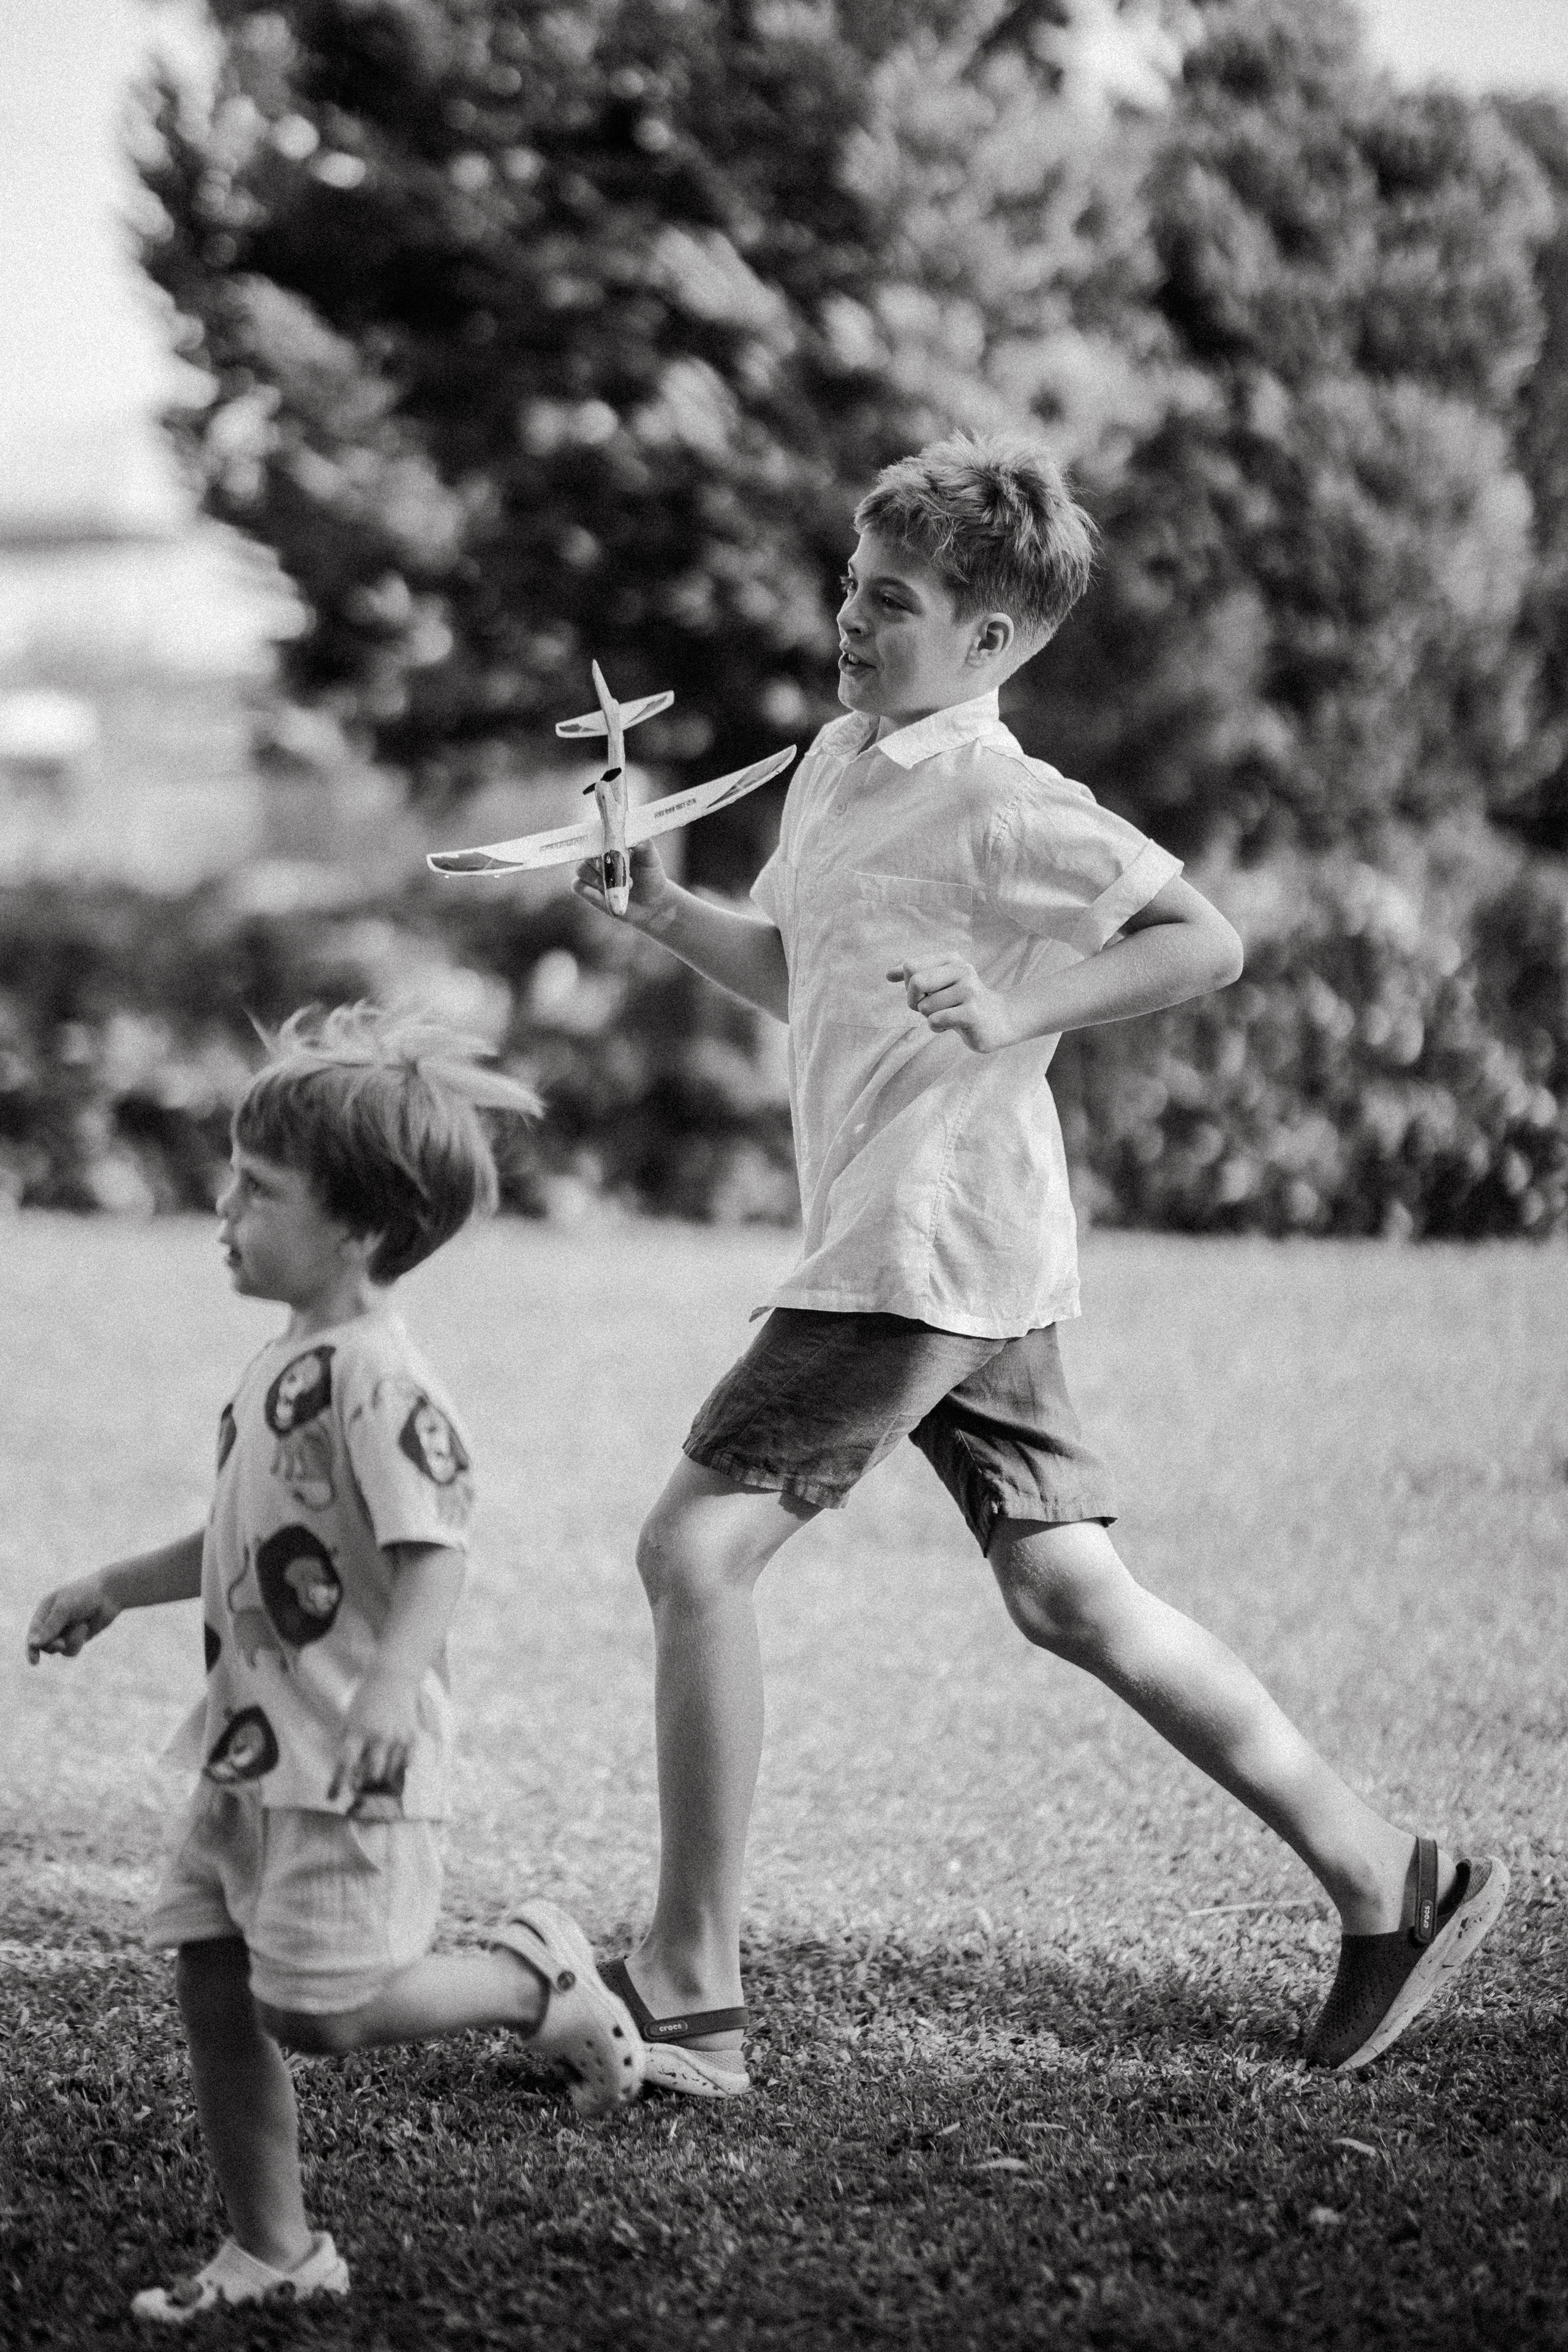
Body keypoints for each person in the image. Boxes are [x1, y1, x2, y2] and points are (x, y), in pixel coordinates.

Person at [572, 432, 1507, 2098]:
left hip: (913, 1254)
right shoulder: (844, 763)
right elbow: (808, 976)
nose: (854, 621)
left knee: (693, 1557)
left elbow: (1200, 942)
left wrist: (1017, 1008)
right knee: (1070, 1591)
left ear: (995, 641)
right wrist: (659, 914)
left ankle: (691, 1989)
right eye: (854, 586)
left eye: (899, 604)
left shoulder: (1010, 806)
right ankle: (1393, 1877)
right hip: (970, 1248)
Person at [25, 1006, 644, 2323]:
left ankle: (539, 1981)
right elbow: (245, 1531)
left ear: (357, 1228)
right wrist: (113, 1591)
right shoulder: (283, 1363)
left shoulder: (383, 1383)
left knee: (322, 2012)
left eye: (260, 1191)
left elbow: (437, 1552)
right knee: (213, 1972)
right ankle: (276, 2248)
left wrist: (382, 1695)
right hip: (250, 1747)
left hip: (344, 1758)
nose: (224, 1209)